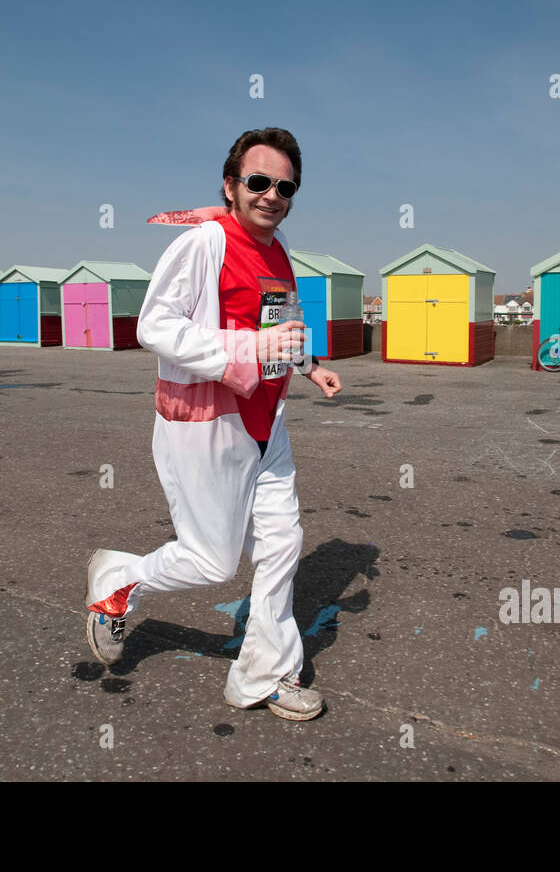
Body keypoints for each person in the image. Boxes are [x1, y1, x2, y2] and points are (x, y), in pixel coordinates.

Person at [84, 127, 343, 721]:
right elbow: (156, 327)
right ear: (231, 186)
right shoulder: (204, 243)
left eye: (285, 186)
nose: (271, 195)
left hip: (266, 423)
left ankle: (262, 675)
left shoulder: (278, 252)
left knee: (282, 544)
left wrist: (309, 366)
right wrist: (250, 348)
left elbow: (280, 328)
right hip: (206, 421)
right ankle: (120, 577)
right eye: (258, 182)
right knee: (213, 562)